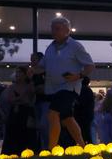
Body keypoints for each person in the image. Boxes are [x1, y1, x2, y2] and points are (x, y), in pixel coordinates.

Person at [33, 17, 94, 148]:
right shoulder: (50, 47)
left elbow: (90, 66)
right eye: (52, 29)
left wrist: (78, 75)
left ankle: (51, 149)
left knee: (52, 114)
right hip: (53, 89)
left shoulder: (75, 46)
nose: (53, 31)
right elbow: (41, 67)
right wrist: (32, 71)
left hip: (68, 88)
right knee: (67, 118)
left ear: (67, 30)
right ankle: (83, 146)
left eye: (57, 29)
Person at [1, 66, 35, 155]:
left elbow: (30, 99)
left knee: (25, 134)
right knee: (12, 134)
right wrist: (22, 99)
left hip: (25, 113)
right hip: (15, 113)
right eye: (16, 72)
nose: (17, 74)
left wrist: (19, 100)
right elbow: (10, 99)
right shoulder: (12, 87)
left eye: (19, 72)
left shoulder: (29, 85)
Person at [30, 52, 50, 150]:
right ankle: (43, 147)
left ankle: (48, 147)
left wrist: (39, 88)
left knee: (44, 125)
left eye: (34, 59)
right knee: (40, 126)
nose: (32, 62)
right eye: (31, 60)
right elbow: (33, 88)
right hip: (37, 102)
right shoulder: (33, 74)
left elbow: (45, 88)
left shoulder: (47, 72)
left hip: (46, 101)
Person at [74, 77, 95, 144]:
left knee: (82, 130)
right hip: (88, 114)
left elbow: (80, 102)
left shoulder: (81, 90)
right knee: (87, 130)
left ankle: (84, 143)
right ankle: (88, 143)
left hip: (81, 114)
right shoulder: (89, 90)